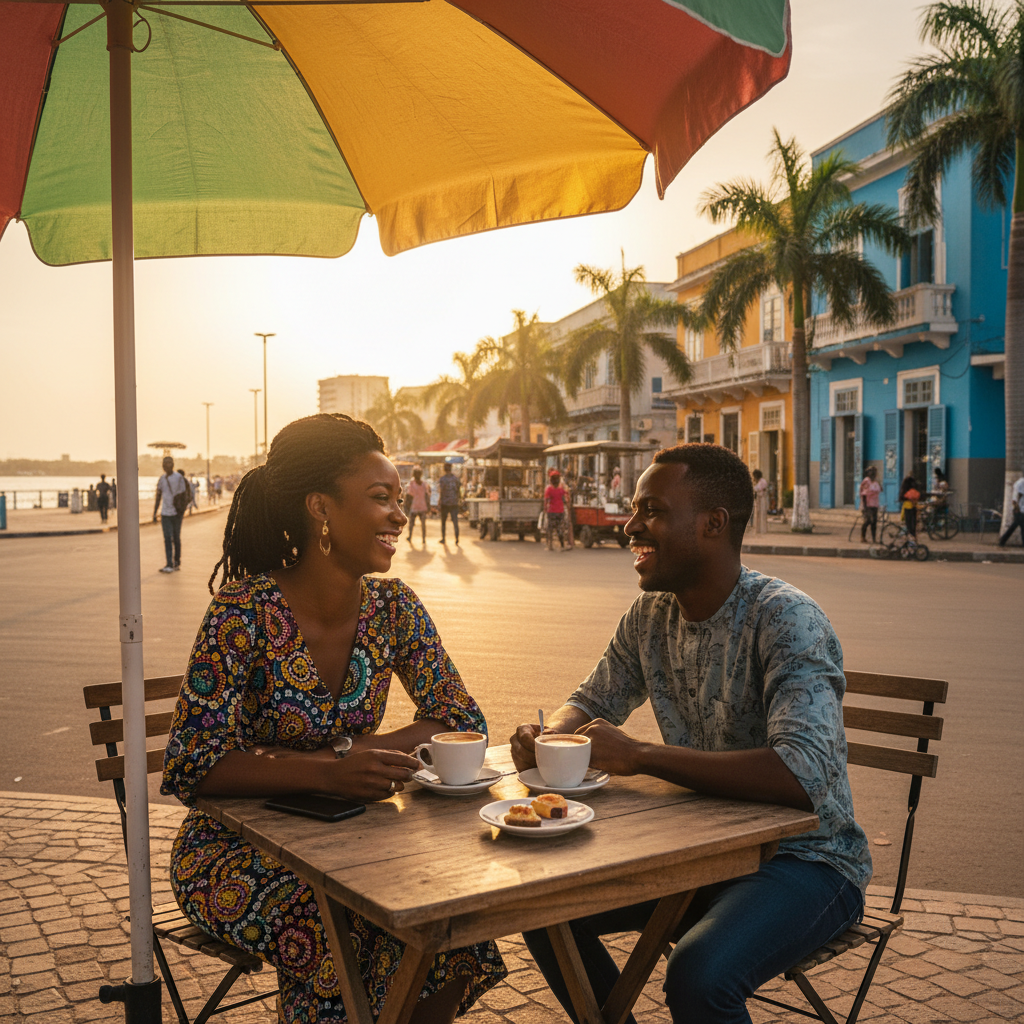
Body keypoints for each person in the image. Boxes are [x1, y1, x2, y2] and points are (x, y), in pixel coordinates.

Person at [161, 414, 506, 1024]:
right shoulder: (243, 611)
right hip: (236, 848)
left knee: (451, 924)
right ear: (320, 508)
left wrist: (359, 757)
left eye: (400, 500)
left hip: (356, 838)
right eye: (381, 499)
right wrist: (331, 769)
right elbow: (194, 762)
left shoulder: (393, 608)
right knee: (341, 925)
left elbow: (460, 719)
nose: (400, 515)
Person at [511, 443, 868, 1024]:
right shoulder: (650, 615)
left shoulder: (785, 618)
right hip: (699, 851)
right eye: (634, 509)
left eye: (650, 510)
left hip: (809, 862)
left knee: (698, 973)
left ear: (713, 524)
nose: (630, 527)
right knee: (543, 910)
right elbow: (590, 700)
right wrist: (552, 735)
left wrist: (642, 755)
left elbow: (803, 777)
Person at [153, 456, 187, 573]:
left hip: (177, 513)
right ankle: (169, 564)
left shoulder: (179, 478)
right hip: (165, 513)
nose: (166, 465)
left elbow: (184, 495)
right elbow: (158, 496)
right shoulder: (161, 479)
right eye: (164, 463)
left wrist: (182, 510)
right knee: (167, 538)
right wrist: (154, 512)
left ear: (172, 464)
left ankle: (177, 562)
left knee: (176, 537)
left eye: (168, 463)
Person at [437, 462, 462, 545]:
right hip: (454, 502)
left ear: (444, 469)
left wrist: (439, 501)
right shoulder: (456, 479)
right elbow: (458, 490)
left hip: (445, 502)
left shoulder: (442, 479)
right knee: (455, 521)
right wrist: (459, 499)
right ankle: (457, 538)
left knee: (443, 522)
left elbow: (441, 491)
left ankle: (443, 538)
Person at [998, 470, 1024, 546]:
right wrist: (1016, 509)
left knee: (1015, 526)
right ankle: (1002, 540)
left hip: (1021, 510)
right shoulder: (1020, 483)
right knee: (1021, 526)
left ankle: (1002, 540)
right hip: (1018, 510)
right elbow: (1015, 498)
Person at [544, 469, 568, 550]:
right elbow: (565, 498)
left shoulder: (549, 489)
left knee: (550, 528)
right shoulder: (561, 489)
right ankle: (562, 546)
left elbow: (546, 500)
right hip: (560, 511)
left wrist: (544, 509)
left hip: (551, 511)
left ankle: (550, 546)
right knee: (559, 529)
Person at [406, 466, 430, 543]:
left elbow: (409, 496)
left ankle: (410, 536)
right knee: (423, 524)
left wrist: (407, 506)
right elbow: (427, 495)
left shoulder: (412, 483)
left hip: (414, 506)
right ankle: (423, 539)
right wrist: (428, 506)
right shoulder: (424, 484)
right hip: (422, 506)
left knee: (411, 523)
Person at [858, 466, 882, 543]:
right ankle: (862, 537)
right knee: (868, 520)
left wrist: (878, 483)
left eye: (874, 472)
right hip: (867, 505)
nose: (873, 473)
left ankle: (874, 539)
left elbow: (880, 489)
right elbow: (864, 494)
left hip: (875, 504)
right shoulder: (866, 481)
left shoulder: (876, 482)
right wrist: (865, 507)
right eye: (871, 471)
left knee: (874, 522)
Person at [899, 475, 920, 540]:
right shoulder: (913, 491)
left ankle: (910, 539)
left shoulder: (905, 492)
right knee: (913, 525)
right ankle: (913, 539)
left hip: (907, 508)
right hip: (913, 508)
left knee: (909, 525)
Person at [752, 467, 769, 534]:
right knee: (758, 514)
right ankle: (758, 530)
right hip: (759, 499)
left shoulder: (762, 481)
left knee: (762, 514)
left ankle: (763, 530)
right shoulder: (759, 482)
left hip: (762, 499)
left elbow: (758, 489)